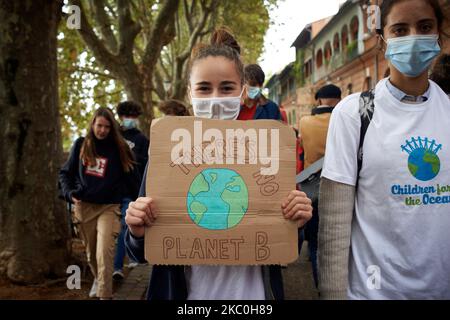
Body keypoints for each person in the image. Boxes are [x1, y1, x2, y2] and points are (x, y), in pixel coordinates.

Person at [124, 28, 313, 300]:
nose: (214, 98)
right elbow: (142, 253)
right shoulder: (167, 153)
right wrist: (136, 231)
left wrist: (296, 221)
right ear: (190, 93)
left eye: (226, 88)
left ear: (242, 92)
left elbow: (285, 247)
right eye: (204, 88)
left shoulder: (266, 153)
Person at [318, 0, 450, 300]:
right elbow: (334, 223)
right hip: (372, 293)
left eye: (425, 27)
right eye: (400, 29)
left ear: (439, 36)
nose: (413, 37)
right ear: (383, 40)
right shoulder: (353, 114)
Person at [59, 107, 136, 299]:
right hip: (84, 207)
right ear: (92, 124)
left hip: (109, 207)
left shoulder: (119, 148)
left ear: (112, 128)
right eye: (99, 125)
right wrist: (69, 194)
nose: (102, 130)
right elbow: (65, 174)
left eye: (107, 127)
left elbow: (133, 176)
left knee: (104, 253)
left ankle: (104, 295)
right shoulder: (81, 145)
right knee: (92, 256)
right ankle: (100, 280)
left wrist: (135, 199)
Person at [298, 84, 341, 289]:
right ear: (339, 99)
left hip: (312, 185)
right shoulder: (344, 119)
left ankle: (321, 287)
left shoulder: (305, 122)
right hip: (341, 183)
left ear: (319, 100)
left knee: (315, 242)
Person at [113, 101, 149, 280]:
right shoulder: (114, 135)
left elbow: (144, 166)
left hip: (130, 191)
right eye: (127, 116)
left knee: (123, 227)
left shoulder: (141, 139)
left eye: (134, 117)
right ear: (121, 117)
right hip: (110, 191)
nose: (130, 120)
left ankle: (117, 267)